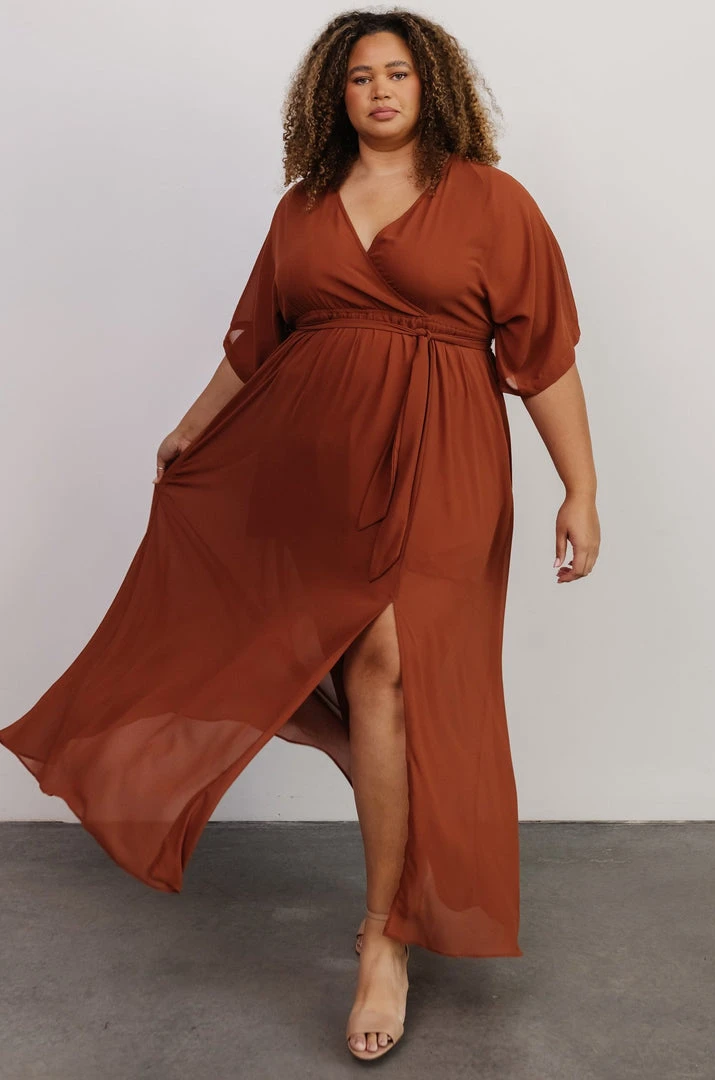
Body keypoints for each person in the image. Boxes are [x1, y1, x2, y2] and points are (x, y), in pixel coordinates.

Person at [0, 8, 600, 1063]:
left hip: (447, 462)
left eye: (397, 72)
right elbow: (255, 344)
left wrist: (580, 487)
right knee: (275, 655)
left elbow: (542, 354)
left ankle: (384, 940)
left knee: (390, 666)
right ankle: (350, 754)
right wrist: (194, 427)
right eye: (360, 76)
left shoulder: (491, 200)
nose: (380, 90)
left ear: (431, 86)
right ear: (335, 94)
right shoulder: (304, 206)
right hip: (311, 467)